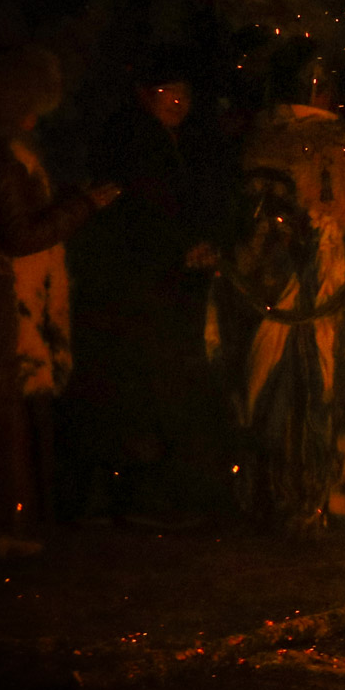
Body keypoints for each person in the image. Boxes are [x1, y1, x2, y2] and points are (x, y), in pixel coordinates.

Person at [208, 39, 345, 532]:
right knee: (338, 376)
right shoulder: (340, 140)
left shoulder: (258, 134)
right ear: (321, 88)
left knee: (267, 382)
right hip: (325, 281)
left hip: (264, 283)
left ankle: (273, 492)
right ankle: (334, 493)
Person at [0, 44, 117, 557]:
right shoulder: (2, 159)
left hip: (0, 303)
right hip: (0, 306)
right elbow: (19, 236)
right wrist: (82, 206)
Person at [69, 50, 226, 521]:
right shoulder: (134, 138)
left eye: (185, 94)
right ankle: (136, 490)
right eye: (167, 93)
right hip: (139, 285)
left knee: (156, 382)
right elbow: (138, 213)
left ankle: (152, 485)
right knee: (140, 383)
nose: (178, 101)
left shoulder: (178, 140)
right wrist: (180, 249)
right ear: (144, 94)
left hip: (162, 280)